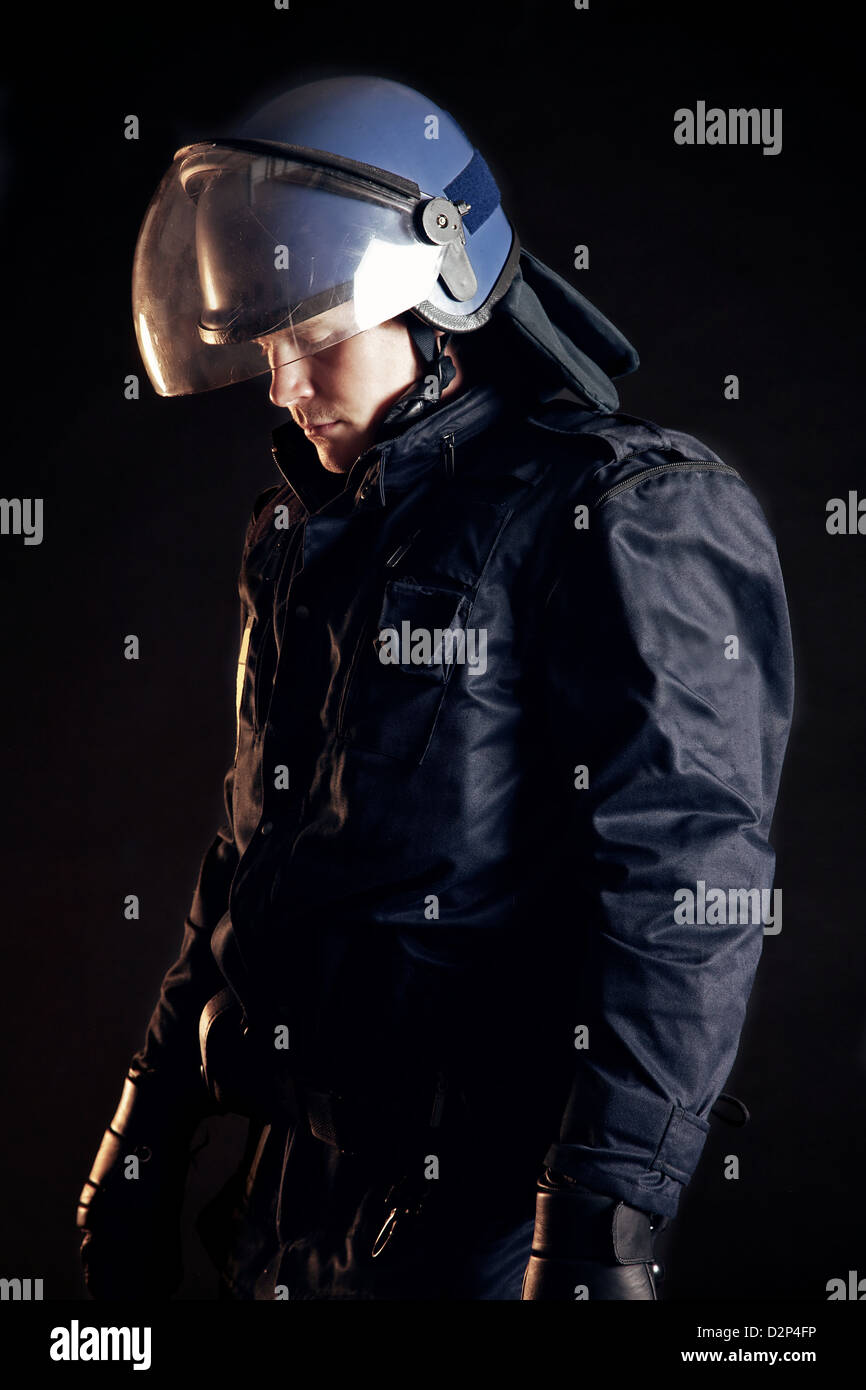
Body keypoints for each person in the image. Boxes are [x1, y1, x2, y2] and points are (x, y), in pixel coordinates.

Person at [77, 74, 795, 1301]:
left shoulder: (620, 515)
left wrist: (599, 1235)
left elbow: (683, 892)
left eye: (312, 335)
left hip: (481, 1234)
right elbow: (247, 852)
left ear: (436, 294)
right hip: (287, 1210)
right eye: (264, 343)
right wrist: (142, 1133)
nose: (284, 385)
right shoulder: (307, 534)